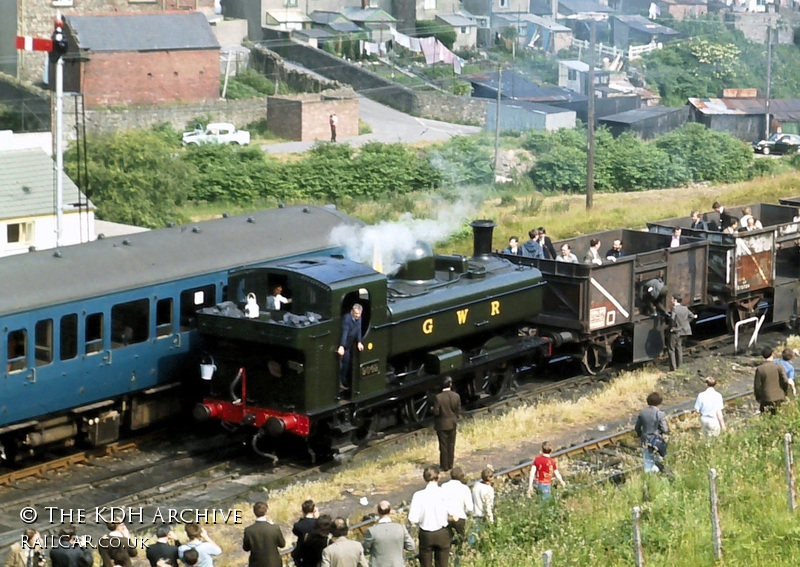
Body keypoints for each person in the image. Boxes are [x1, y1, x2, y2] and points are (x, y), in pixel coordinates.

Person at [407, 467, 451, 567]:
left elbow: (412, 519)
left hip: (426, 533)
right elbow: (453, 513)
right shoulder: (444, 492)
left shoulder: (418, 495)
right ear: (438, 477)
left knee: (426, 563)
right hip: (442, 532)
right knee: (442, 563)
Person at [362, 501, 415, 567]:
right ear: (390, 511)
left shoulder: (372, 531)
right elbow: (411, 546)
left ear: (378, 512)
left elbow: (364, 550)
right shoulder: (401, 528)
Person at [634, 392, 670, 475]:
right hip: (656, 440)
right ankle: (657, 474)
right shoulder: (660, 414)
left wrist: (640, 435)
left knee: (647, 460)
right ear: (659, 402)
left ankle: (649, 476)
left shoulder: (643, 412)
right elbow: (665, 429)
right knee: (658, 459)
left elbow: (637, 427)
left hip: (645, 439)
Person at [432, 376, 460, 472]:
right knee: (451, 444)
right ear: (450, 384)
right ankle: (451, 464)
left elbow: (436, 412)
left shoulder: (438, 397)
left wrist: (432, 409)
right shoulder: (456, 396)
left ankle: (444, 466)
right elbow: (458, 410)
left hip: (442, 425)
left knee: (443, 446)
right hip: (452, 424)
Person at [243, 502, 284, 567]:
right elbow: (282, 544)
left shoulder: (248, 530)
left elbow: (246, 548)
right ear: (266, 512)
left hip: (256, 564)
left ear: (254, 512)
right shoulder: (274, 528)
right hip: (273, 564)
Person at [440, 467, 472, 546]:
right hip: (460, 517)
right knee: (462, 539)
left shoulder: (444, 486)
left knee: (446, 542)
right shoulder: (465, 488)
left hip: (446, 517)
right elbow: (469, 508)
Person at [754, 346, 790, 415]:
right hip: (779, 397)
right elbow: (785, 380)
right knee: (779, 416)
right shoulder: (778, 366)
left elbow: (757, 386)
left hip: (766, 398)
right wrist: (785, 391)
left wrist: (758, 398)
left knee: (766, 418)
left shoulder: (760, 369)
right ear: (772, 354)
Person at [337, 304, 364, 393]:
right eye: (356, 314)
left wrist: (359, 341)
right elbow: (345, 332)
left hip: (348, 346)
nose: (357, 316)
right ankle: (338, 384)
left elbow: (359, 330)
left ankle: (343, 381)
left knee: (346, 364)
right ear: (352, 311)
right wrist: (341, 346)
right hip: (343, 345)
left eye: (359, 314)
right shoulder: (347, 319)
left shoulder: (359, 319)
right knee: (339, 366)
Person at [666, 295, 695, 371]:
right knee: (679, 348)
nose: (671, 300)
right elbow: (692, 316)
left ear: (675, 300)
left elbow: (672, 319)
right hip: (683, 331)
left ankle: (673, 368)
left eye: (672, 299)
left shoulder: (674, 309)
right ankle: (680, 367)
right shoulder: (685, 308)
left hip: (675, 331)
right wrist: (686, 323)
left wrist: (672, 328)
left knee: (671, 349)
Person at [291, 500, 319, 566]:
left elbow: (295, 532)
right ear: (313, 510)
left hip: (303, 554)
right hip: (316, 553)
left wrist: (302, 518)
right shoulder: (318, 524)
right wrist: (317, 518)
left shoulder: (298, 525)